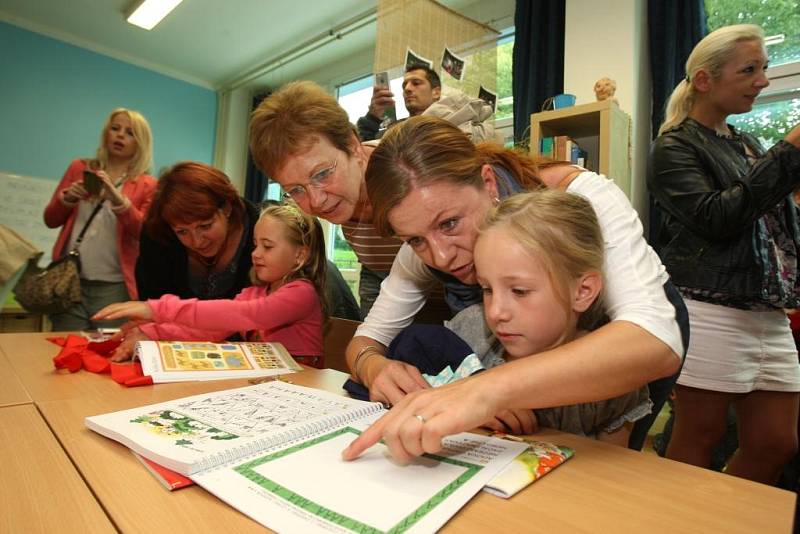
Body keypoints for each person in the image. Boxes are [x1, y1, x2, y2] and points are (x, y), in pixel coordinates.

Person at [340, 116, 688, 463]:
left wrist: (485, 390)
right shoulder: (431, 243)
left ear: (488, 183)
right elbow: (367, 338)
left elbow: (656, 342)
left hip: (632, 343)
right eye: (415, 239)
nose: (442, 256)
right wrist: (374, 367)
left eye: (449, 224)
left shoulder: (586, 198)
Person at [354, 190, 651, 445]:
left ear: (583, 291)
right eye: (486, 288)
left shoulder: (615, 379)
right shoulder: (468, 332)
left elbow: (612, 484)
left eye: (519, 291)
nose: (495, 312)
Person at [647, 24, 800, 484]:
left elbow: (777, 229)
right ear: (704, 80)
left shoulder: (746, 145)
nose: (762, 80)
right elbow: (717, 219)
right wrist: (789, 152)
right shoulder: (673, 146)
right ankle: (683, 520)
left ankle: (724, 515)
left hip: (767, 310)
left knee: (777, 441)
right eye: (749, 69)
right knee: (701, 433)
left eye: (764, 69)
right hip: (710, 306)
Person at [94, 203, 327, 367]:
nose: (255, 254)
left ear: (300, 255)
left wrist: (157, 309)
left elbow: (249, 315)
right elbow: (210, 328)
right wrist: (150, 331)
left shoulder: (302, 293)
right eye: (255, 245)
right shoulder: (255, 292)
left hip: (300, 387)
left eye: (267, 246)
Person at [249, 81, 409, 318]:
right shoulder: (345, 201)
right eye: (295, 190)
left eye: (322, 174)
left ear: (353, 147)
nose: (316, 201)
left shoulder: (408, 172)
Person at [43, 108, 156, 331]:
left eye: (130, 132)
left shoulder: (147, 184)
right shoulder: (80, 168)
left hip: (115, 286)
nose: (120, 135)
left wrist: (119, 202)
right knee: (64, 348)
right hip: (69, 280)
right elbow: (50, 219)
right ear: (106, 134)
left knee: (108, 352)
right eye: (115, 129)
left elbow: (144, 233)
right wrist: (67, 199)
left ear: (141, 142)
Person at [356, 65, 442, 141]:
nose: (407, 88)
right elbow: (361, 151)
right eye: (404, 86)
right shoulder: (392, 132)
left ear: (436, 92)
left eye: (416, 83)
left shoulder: (449, 124)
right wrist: (372, 117)